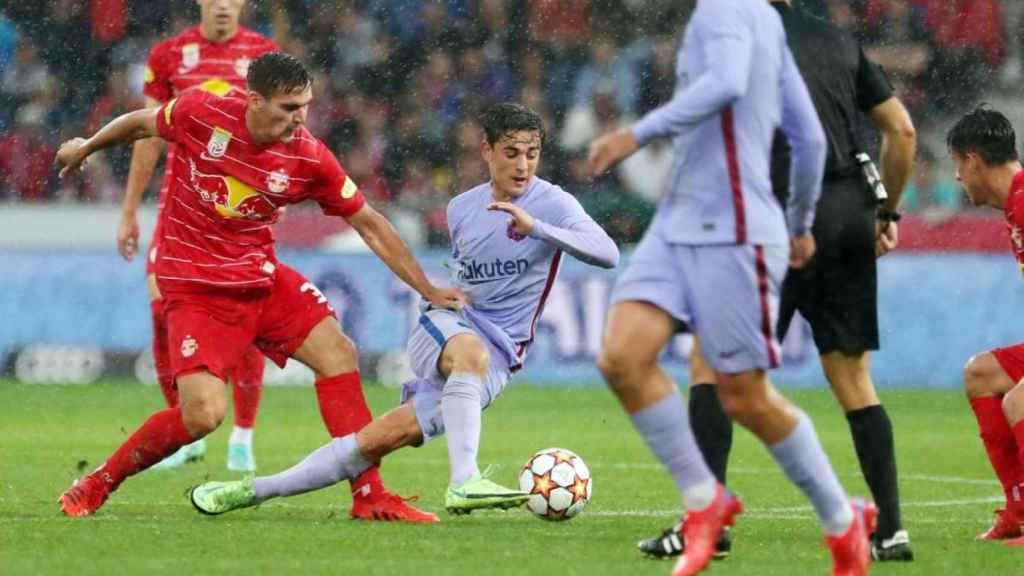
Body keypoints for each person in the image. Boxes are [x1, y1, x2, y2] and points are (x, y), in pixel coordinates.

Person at [55, 52, 464, 523]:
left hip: (260, 279)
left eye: (306, 105)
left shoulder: (308, 156)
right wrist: (87, 145)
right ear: (253, 100)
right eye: (289, 107)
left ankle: (369, 494)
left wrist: (427, 288)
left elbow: (369, 223)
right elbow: (141, 124)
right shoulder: (201, 113)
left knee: (339, 353)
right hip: (195, 287)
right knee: (202, 417)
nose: (301, 118)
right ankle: (98, 481)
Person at [185, 103, 620, 517]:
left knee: (372, 442)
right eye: (511, 153)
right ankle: (465, 480)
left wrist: (538, 228)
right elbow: (468, 278)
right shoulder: (462, 207)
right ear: (486, 150)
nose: (523, 165)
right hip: (448, 325)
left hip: (501, 357)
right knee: (470, 352)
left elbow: (607, 253)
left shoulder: (553, 203)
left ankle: (248, 491)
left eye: (532, 154)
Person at [587, 1, 875, 575]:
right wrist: (798, 223)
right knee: (622, 357)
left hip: (734, 229)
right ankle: (705, 499)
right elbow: (811, 139)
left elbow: (726, 83)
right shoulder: (762, 20)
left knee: (743, 395)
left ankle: (842, 520)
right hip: (678, 222)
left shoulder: (726, 8)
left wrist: (635, 134)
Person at [118, 0, 278, 472]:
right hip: (179, 208)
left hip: (239, 210)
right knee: (163, 313)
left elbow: (279, 132)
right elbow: (149, 134)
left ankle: (243, 438)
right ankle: (185, 430)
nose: (224, 5)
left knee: (246, 318)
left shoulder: (264, 55)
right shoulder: (169, 55)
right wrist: (129, 209)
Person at [951, 107, 1024, 546]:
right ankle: (1017, 511)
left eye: (958, 165)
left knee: (1019, 401)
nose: (957, 177)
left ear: (973, 160)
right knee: (982, 373)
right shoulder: (1015, 205)